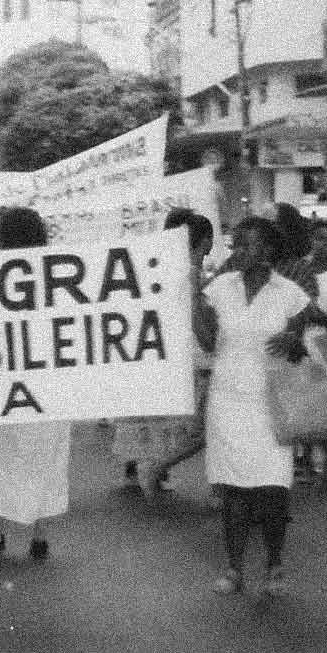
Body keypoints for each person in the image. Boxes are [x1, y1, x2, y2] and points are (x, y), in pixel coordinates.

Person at [195, 217, 315, 596]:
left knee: (273, 490)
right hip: (228, 400)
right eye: (238, 244)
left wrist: (297, 338)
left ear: (270, 251)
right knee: (233, 490)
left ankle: (276, 564)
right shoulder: (220, 288)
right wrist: (195, 303)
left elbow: (318, 336)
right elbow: (208, 341)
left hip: (272, 403)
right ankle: (233, 568)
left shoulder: (290, 293)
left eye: (251, 245)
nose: (242, 252)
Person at [0, 207, 70, 559]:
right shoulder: (59, 270)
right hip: (51, 380)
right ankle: (40, 534)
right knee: (47, 457)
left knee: (1, 456)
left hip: (8, 380)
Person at [114, 207, 214, 498]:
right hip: (182, 356)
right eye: (204, 249)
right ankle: (155, 467)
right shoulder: (187, 273)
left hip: (159, 353)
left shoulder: (156, 266)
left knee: (164, 421)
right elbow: (192, 320)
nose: (205, 256)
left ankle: (149, 467)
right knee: (195, 426)